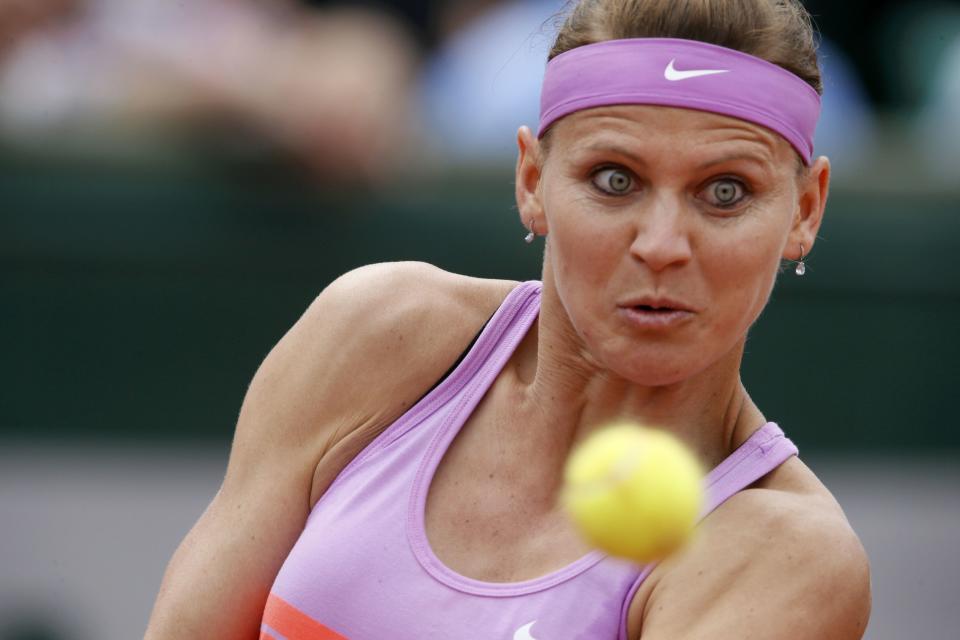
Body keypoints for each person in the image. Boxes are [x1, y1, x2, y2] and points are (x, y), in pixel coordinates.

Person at [145, 0, 872, 638]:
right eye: (614, 179)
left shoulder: (786, 554)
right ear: (531, 181)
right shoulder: (376, 330)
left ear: (806, 210)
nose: (661, 245)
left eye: (725, 191)